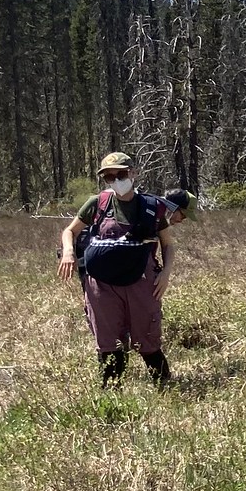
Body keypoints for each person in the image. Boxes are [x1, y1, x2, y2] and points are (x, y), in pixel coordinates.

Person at [57, 151, 180, 386]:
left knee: (147, 337)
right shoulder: (98, 203)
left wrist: (165, 274)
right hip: (102, 285)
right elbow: (69, 231)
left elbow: (168, 244)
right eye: (109, 177)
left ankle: (165, 388)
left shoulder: (152, 207)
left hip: (142, 282)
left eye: (121, 174)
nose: (116, 181)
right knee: (108, 340)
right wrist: (69, 252)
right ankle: (112, 393)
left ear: (133, 173)